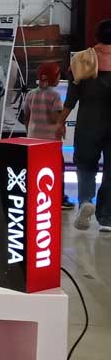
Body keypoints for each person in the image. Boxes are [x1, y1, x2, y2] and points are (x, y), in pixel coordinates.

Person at [63, 20, 111, 231]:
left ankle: (85, 201)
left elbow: (71, 98)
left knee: (85, 165)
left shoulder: (82, 59)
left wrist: (60, 121)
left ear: (96, 35)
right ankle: (106, 217)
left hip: (88, 122)